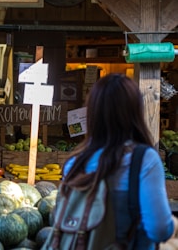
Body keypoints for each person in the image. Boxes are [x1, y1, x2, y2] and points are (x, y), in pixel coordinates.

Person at [61, 73, 178, 248]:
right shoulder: (145, 160)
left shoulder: (74, 163)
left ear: (92, 114)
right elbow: (158, 230)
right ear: (135, 112)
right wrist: (173, 224)